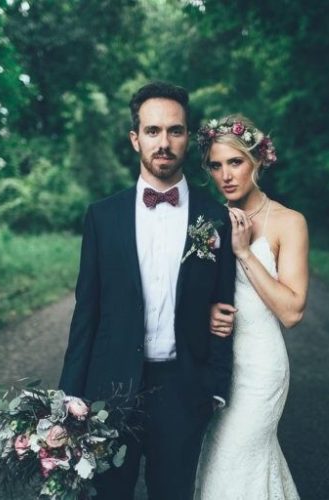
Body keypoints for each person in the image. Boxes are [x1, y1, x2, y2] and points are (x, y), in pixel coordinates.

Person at [57, 82, 235, 500]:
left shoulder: (216, 219)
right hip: (111, 388)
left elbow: (224, 307)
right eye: (153, 131)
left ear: (188, 138)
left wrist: (214, 388)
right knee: (108, 494)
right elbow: (87, 311)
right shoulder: (102, 217)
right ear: (135, 138)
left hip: (183, 390)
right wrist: (68, 394)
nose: (164, 142)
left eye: (175, 131)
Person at [193, 115, 309, 499]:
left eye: (235, 162)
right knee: (219, 462)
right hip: (217, 364)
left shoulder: (288, 223)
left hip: (260, 369)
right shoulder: (205, 220)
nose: (226, 175)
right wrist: (205, 312)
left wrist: (244, 252)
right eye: (216, 164)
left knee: (234, 458)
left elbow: (292, 312)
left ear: (257, 161)